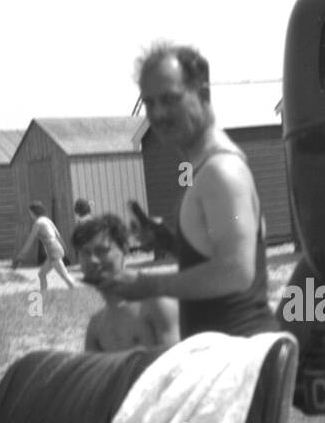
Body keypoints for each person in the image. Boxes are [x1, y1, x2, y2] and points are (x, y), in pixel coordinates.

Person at [99, 42, 277, 338]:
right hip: (223, 353)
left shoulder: (223, 173)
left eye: (170, 99)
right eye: (150, 102)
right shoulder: (208, 168)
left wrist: (149, 285)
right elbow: (218, 255)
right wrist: (170, 242)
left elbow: (237, 270)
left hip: (239, 355)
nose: (158, 114)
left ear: (203, 94)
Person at [73, 213, 179, 352]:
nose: (92, 260)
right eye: (85, 253)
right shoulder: (96, 327)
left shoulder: (156, 306)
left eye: (102, 251)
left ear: (124, 250)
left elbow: (176, 368)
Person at [14, 202, 76, 294]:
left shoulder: (38, 223)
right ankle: (44, 294)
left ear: (32, 212)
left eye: (30, 212)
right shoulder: (47, 220)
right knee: (41, 274)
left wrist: (21, 255)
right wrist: (65, 249)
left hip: (52, 250)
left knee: (64, 275)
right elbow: (58, 235)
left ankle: (74, 291)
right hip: (56, 248)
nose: (30, 214)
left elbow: (30, 241)